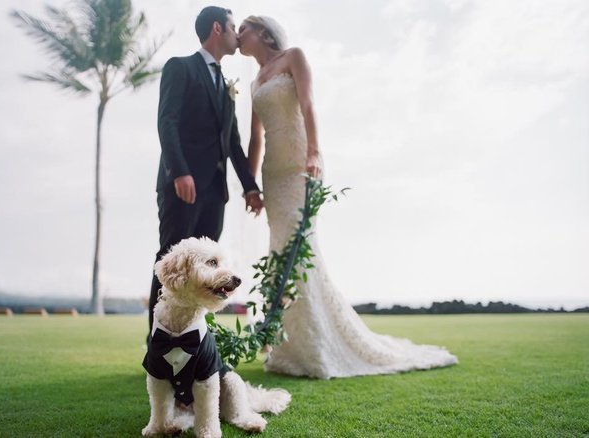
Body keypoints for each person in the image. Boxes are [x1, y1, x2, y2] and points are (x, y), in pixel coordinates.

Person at [237, 16, 458, 379]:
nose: (238, 36)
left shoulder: (294, 57)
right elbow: (255, 138)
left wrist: (314, 152)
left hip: (298, 168)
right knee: (279, 253)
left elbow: (308, 106)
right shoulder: (254, 81)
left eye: (243, 28)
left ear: (262, 32)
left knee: (300, 249)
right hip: (272, 177)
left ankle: (316, 347)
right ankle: (288, 346)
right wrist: (251, 185)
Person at [148, 7, 263, 332]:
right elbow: (166, 122)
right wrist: (180, 172)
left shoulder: (226, 85)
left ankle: (193, 341)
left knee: (206, 273)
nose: (237, 35)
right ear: (217, 28)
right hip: (181, 186)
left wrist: (250, 188)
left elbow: (234, 144)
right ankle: (158, 342)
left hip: (215, 193)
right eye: (232, 27)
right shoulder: (180, 67)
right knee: (171, 264)